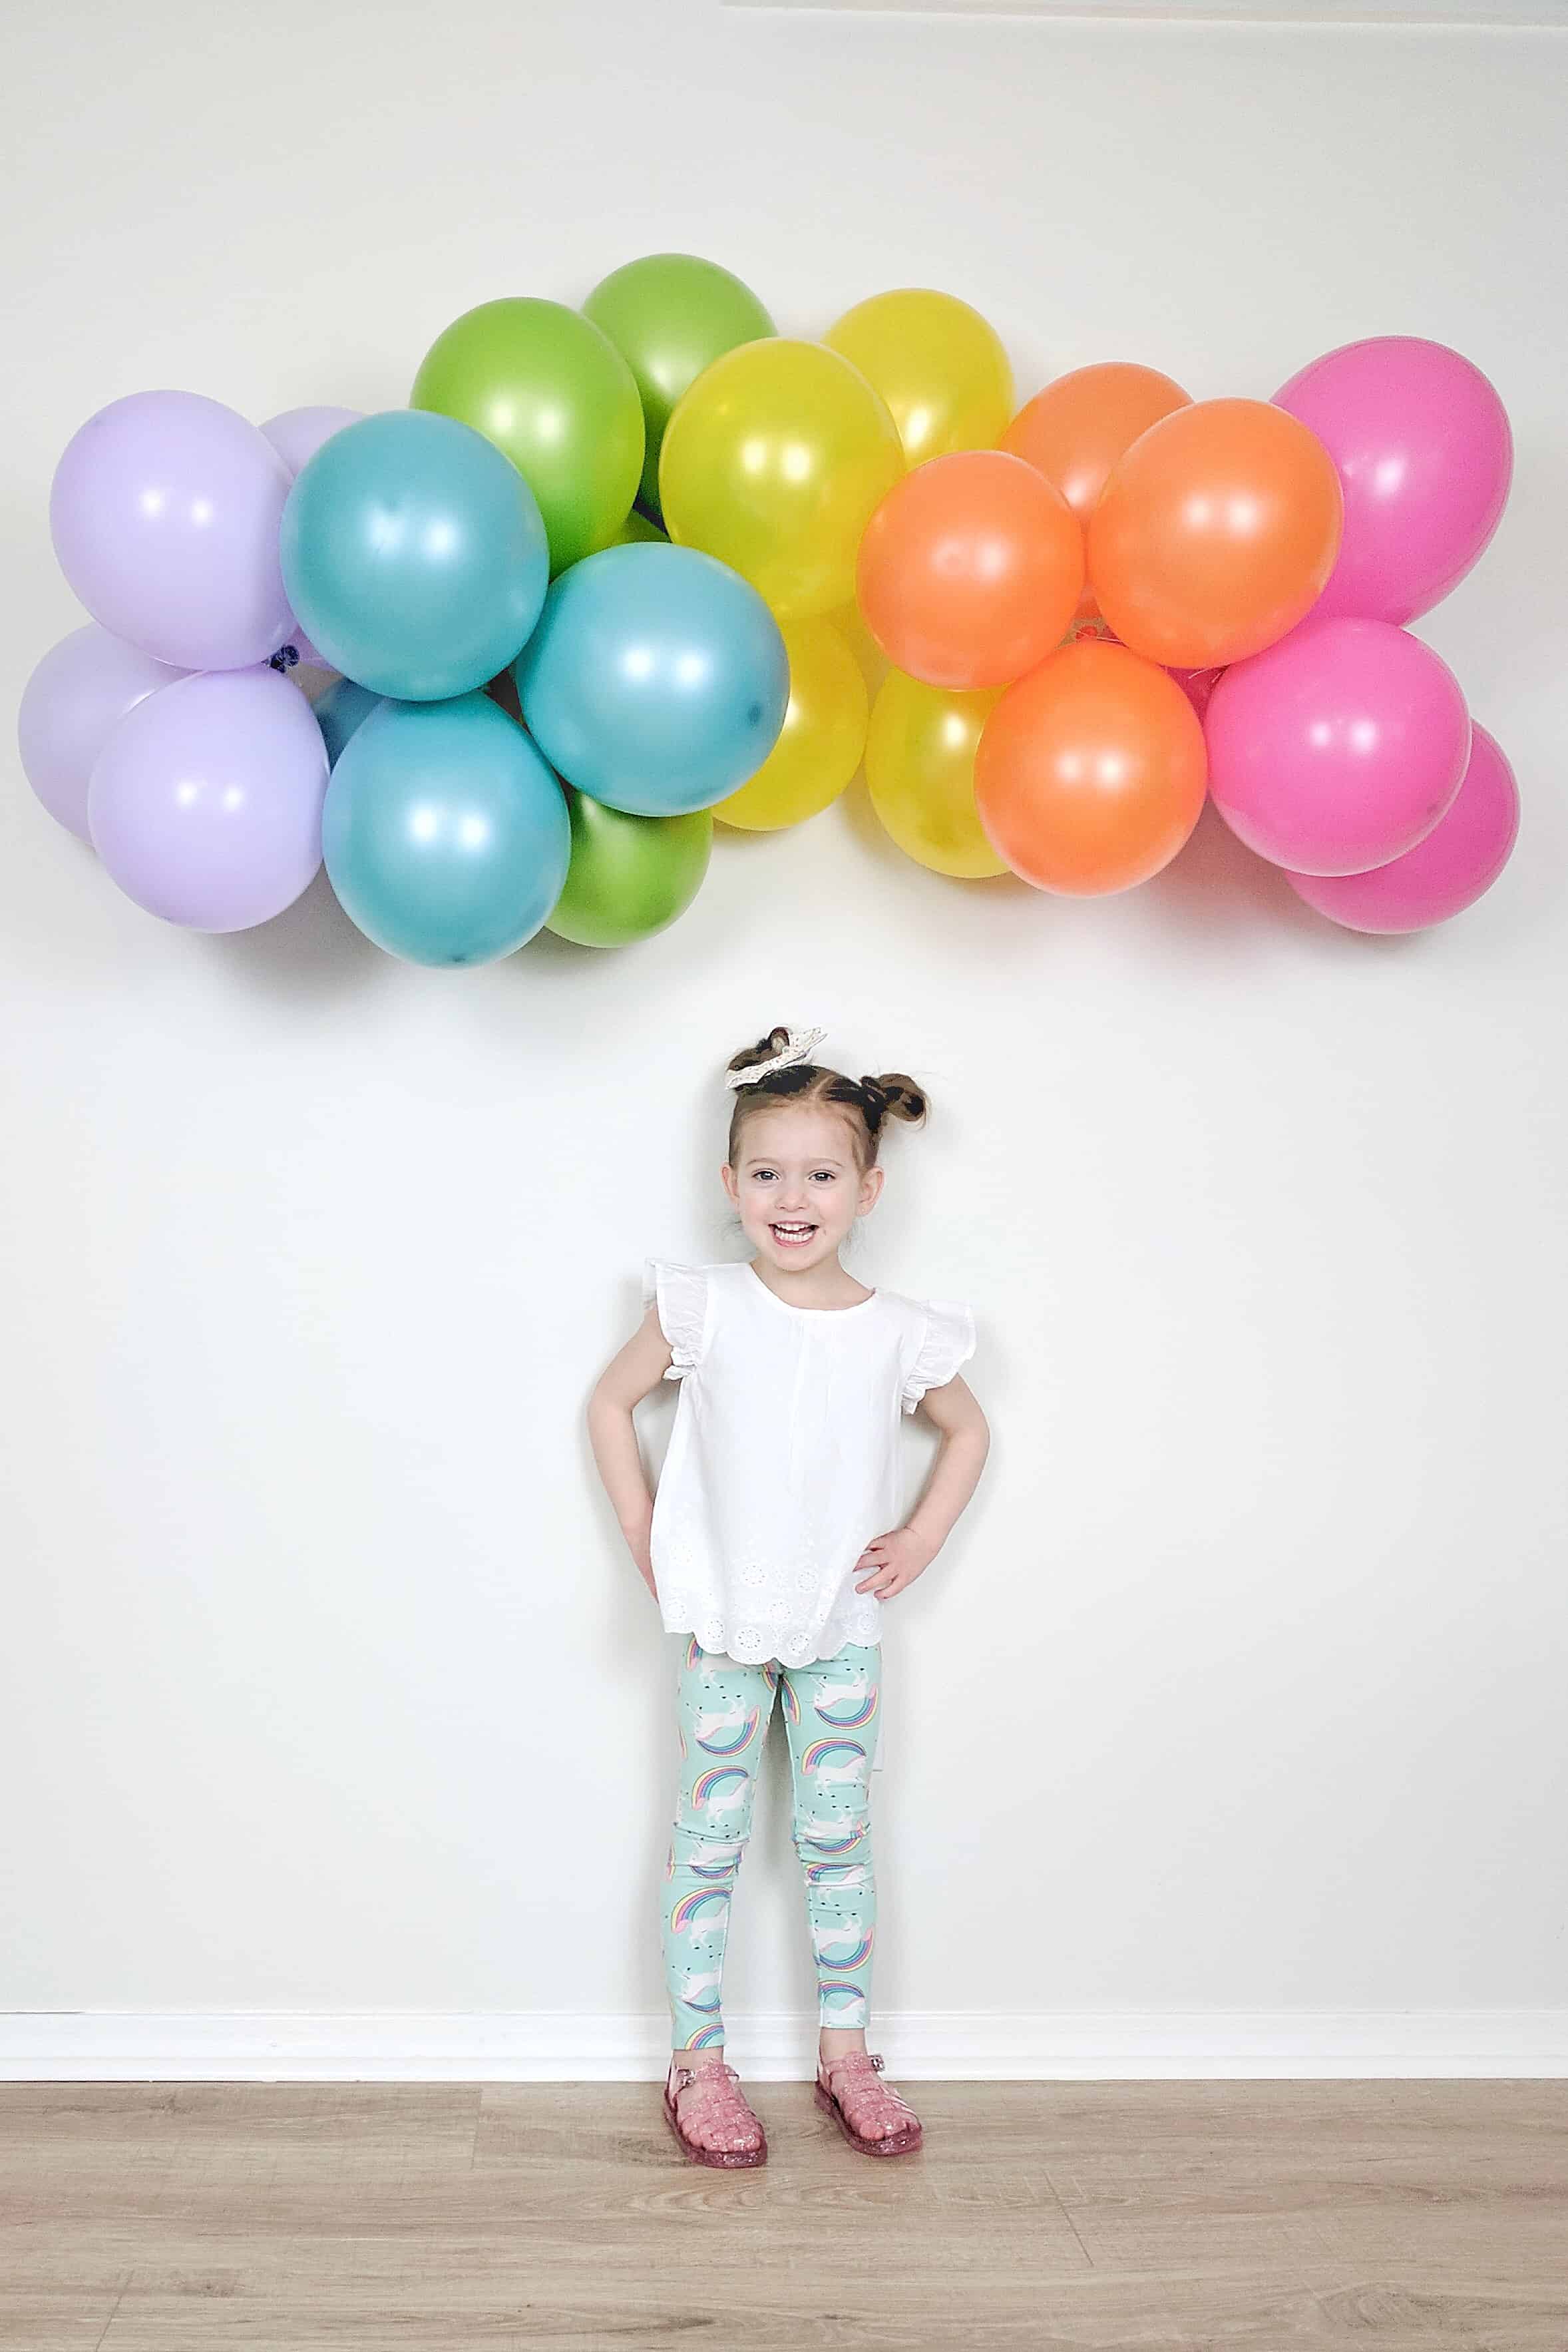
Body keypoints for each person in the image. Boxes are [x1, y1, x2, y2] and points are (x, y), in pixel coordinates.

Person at [587, 1023, 991, 2168]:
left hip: (840, 1631)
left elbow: (968, 1428)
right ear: (730, 1183)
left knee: (835, 1842)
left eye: (820, 1174)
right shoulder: (703, 1305)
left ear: (867, 1187)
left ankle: (846, 2052)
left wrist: (921, 1531)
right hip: (722, 1622)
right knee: (706, 1844)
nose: (792, 1197)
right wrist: (640, 1524)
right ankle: (697, 2061)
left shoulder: (900, 1329)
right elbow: (608, 1407)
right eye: (767, 1172)